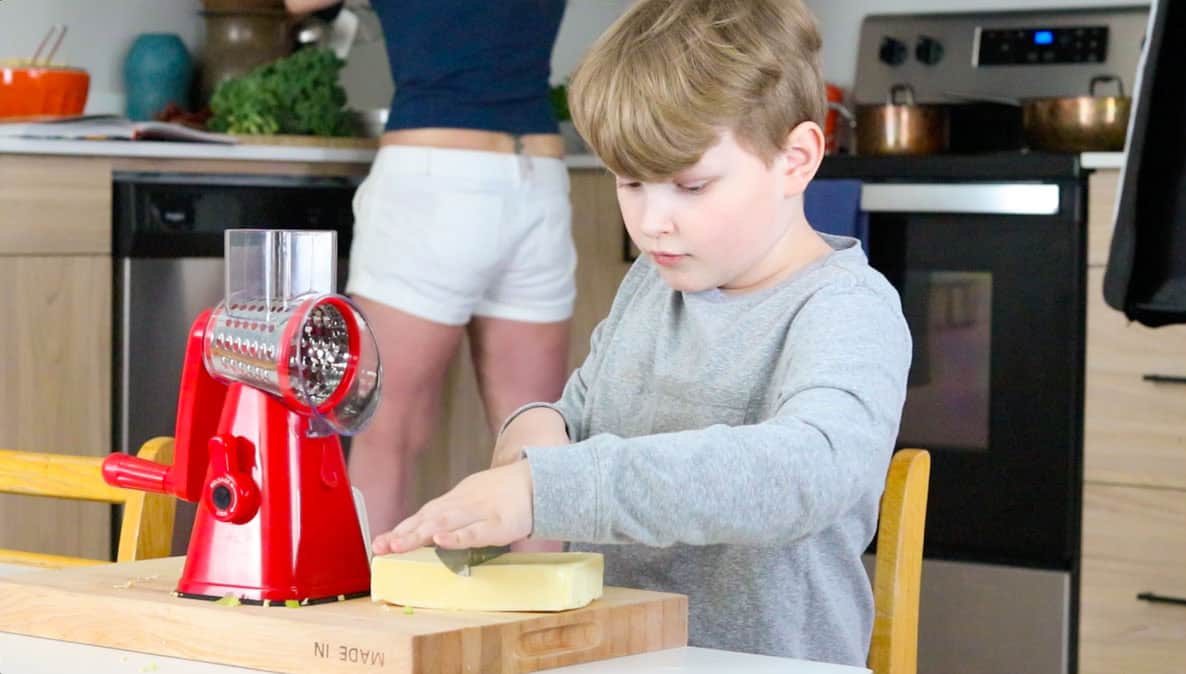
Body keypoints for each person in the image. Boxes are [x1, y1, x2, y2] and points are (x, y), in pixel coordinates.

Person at [372, 0, 912, 666]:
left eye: (690, 185)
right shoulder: (655, 287)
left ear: (795, 158)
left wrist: (551, 489)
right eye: (630, 182)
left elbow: (809, 469)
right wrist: (538, 431)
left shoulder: (845, 308)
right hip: (618, 656)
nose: (652, 221)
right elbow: (582, 415)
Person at [283, 0, 577, 537]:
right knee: (536, 447)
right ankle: (541, 621)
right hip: (537, 175)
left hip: (434, 172)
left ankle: (365, 614)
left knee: (385, 433)